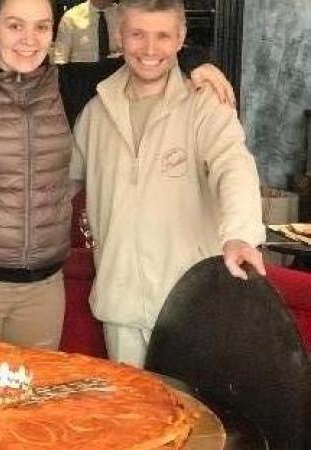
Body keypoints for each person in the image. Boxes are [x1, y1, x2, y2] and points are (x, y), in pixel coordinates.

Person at [0, 0, 233, 350]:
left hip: (42, 291)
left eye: (41, 26)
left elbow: (140, 59)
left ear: (53, 31)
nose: (29, 39)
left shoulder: (68, 86)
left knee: (36, 402)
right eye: (15, 25)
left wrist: (196, 62)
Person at [70, 0, 266, 367]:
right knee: (140, 420)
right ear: (119, 36)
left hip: (192, 307)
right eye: (138, 34)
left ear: (181, 39)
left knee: (197, 420)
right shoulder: (95, 110)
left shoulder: (206, 103)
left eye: (162, 35)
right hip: (121, 304)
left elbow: (233, 165)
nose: (149, 49)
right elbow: (60, 182)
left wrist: (239, 233)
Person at [54, 0, 120, 64]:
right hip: (80, 72)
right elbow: (60, 57)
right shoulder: (71, 17)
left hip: (118, 71)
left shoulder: (122, 14)